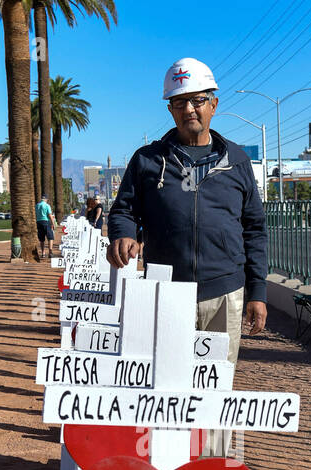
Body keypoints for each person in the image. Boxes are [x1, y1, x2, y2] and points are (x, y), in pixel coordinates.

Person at [107, 57, 267, 369]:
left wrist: (257, 291)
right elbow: (123, 211)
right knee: (166, 382)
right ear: (170, 108)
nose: (189, 109)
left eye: (197, 100)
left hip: (225, 293)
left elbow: (254, 228)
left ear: (214, 104)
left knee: (215, 387)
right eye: (179, 102)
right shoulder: (147, 161)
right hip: (165, 292)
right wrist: (123, 234)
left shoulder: (237, 161)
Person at [36, 194, 55, 259]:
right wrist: (53, 224)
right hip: (46, 222)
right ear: (46, 199)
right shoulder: (47, 205)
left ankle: (43, 253)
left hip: (38, 222)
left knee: (41, 239)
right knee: (50, 237)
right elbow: (50, 215)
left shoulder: (37, 205)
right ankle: (50, 252)